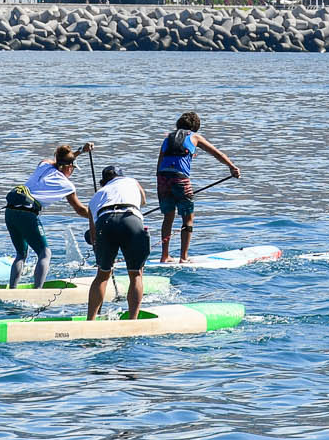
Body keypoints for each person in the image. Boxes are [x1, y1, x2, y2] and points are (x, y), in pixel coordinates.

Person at [157, 111, 241, 263]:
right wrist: (232, 167)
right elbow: (217, 154)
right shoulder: (194, 137)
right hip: (180, 179)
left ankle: (164, 256)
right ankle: (184, 258)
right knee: (188, 218)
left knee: (168, 218)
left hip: (162, 179)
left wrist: (162, 185)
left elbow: (160, 163)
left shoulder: (167, 138)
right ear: (195, 127)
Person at [5, 143, 91, 289]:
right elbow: (80, 210)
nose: (72, 172)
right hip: (27, 214)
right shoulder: (67, 185)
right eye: (73, 168)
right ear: (69, 167)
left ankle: (12, 290)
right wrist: (96, 216)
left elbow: (57, 161)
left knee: (21, 254)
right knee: (45, 253)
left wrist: (80, 152)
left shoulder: (44, 165)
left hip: (10, 212)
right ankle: (38, 292)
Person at [86, 165, 151, 320]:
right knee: (136, 274)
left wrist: (102, 256)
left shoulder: (96, 197)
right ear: (121, 176)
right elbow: (143, 201)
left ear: (103, 182)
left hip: (105, 222)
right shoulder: (131, 181)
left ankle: (90, 320)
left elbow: (94, 238)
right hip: (131, 219)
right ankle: (132, 320)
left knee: (102, 275)